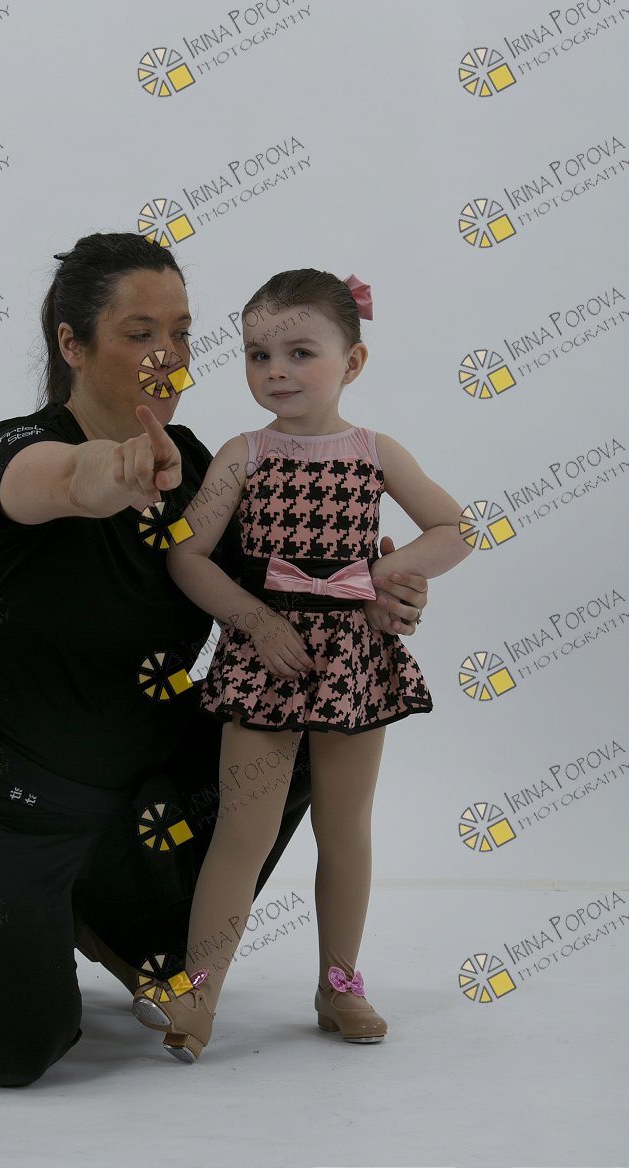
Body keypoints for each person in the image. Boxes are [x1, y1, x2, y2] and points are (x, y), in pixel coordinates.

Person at [0, 236, 429, 1087]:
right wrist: (115, 470)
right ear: (72, 344)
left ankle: (110, 917)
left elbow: (289, 596)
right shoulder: (20, 447)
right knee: (16, 1046)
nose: (168, 355)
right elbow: (68, 481)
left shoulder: (204, 467)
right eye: (140, 334)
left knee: (311, 708)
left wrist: (378, 596)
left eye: (180, 332)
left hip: (117, 804)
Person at [132, 268, 472, 1062]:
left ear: (352, 362)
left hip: (355, 661)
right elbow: (187, 555)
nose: (275, 371)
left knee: (344, 828)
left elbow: (454, 528)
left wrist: (381, 576)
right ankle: (199, 989)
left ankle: (339, 983)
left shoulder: (374, 451)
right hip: (267, 660)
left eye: (299, 353)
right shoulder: (243, 454)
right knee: (241, 831)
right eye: (258, 355)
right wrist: (252, 619)